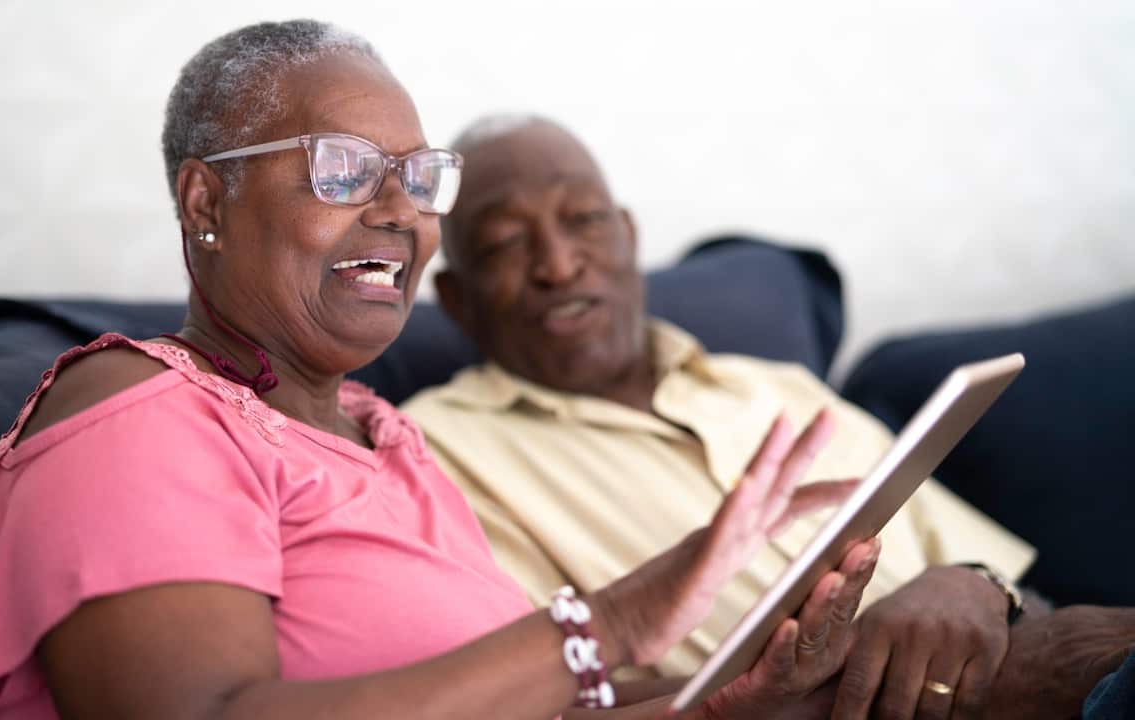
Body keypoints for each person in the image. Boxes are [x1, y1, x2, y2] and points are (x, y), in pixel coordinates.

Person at [0, 21, 881, 720]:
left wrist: (740, 698)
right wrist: (609, 623)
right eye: (344, 168)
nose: (399, 211)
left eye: (419, 177)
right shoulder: (140, 415)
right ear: (205, 200)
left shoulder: (386, 439)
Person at [404, 114, 1135, 718]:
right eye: (505, 242)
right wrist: (865, 672)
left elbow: (1025, 591)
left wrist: (974, 584)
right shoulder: (436, 454)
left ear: (627, 236)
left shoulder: (777, 386)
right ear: (459, 300)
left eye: (584, 220)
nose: (559, 264)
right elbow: (531, 702)